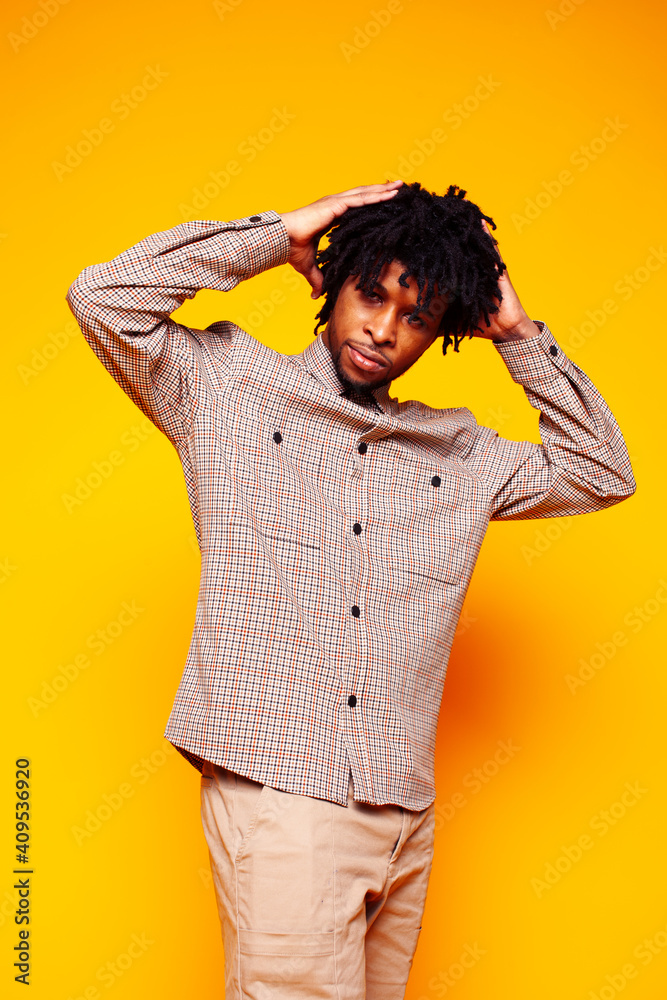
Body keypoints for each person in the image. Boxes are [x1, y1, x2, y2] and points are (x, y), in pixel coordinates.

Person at [66, 179, 635, 999]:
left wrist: (517, 335)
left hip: (403, 811)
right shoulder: (224, 388)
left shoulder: (457, 452)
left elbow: (600, 470)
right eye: (371, 294)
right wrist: (276, 235)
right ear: (335, 286)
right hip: (282, 794)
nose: (384, 329)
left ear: (442, 332)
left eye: (418, 316)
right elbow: (102, 299)